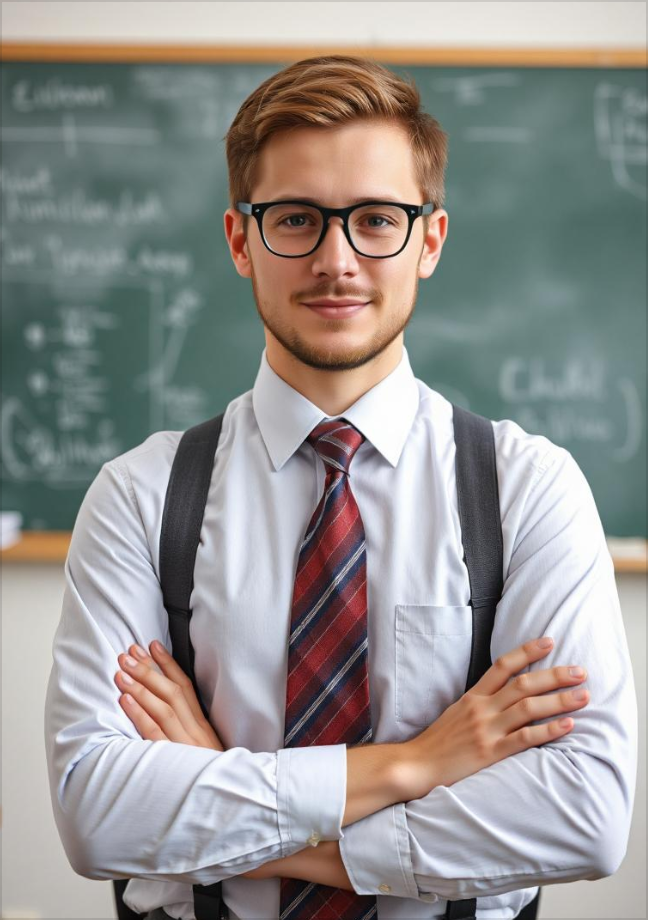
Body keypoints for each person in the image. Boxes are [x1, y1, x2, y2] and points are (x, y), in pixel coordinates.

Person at [44, 55, 637, 920]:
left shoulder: (528, 490)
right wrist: (413, 765)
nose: (337, 259)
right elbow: (96, 815)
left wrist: (237, 804)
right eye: (295, 219)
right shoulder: (141, 495)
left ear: (428, 240)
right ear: (240, 240)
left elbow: (582, 819)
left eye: (375, 220)